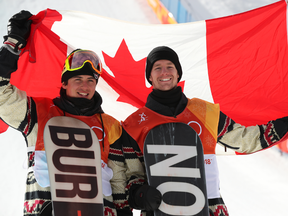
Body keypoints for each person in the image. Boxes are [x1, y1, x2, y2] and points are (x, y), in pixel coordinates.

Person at [121, 46, 288, 216]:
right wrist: (139, 195)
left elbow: (244, 140)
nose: (164, 72)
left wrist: (284, 124)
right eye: (157, 68)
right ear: (150, 76)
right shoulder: (135, 124)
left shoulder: (204, 112)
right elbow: (130, 176)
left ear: (178, 73)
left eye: (170, 66)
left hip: (209, 208)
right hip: (159, 211)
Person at [0, 11, 130, 216]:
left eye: (90, 80)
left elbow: (118, 179)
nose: (84, 86)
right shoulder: (38, 112)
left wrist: (124, 210)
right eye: (77, 79)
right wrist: (13, 43)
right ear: (63, 83)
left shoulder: (110, 125)